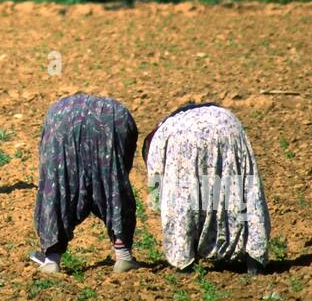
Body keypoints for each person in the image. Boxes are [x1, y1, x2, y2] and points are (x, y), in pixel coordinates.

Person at [143, 102, 270, 274]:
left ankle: (184, 261)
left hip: (184, 137)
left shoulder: (161, 135)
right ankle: (253, 258)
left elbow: (156, 180)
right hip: (227, 124)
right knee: (238, 187)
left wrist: (157, 203)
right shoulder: (169, 124)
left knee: (182, 197)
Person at [29, 93, 140, 274]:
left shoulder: (57, 111)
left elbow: (48, 170)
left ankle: (51, 259)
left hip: (62, 122)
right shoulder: (117, 111)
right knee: (113, 180)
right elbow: (124, 164)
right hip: (112, 119)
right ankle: (123, 256)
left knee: (57, 183)